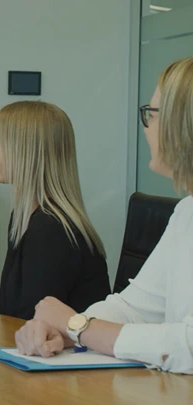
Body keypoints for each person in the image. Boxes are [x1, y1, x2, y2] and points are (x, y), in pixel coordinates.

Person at [14, 57, 193, 375]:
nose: (146, 126)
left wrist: (79, 326)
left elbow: (188, 346)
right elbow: (134, 308)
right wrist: (65, 331)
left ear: (182, 125)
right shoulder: (187, 213)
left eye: (151, 114)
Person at [0, 101, 110, 320]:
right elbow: (8, 311)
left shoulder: (51, 230)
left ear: (25, 152)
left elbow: (31, 321)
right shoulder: (24, 217)